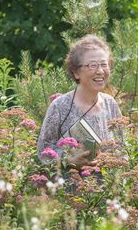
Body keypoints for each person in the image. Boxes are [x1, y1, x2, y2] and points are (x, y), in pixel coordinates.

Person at [37, 35, 122, 168]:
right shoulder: (60, 106)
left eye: (104, 64)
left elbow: (122, 149)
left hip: (109, 186)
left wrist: (109, 160)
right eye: (92, 65)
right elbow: (44, 151)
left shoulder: (110, 104)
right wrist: (68, 160)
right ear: (75, 72)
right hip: (68, 186)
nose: (100, 71)